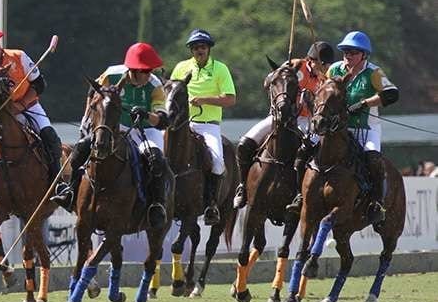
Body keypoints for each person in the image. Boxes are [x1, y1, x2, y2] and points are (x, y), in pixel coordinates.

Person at [51, 43, 169, 223]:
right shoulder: (112, 74)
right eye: (145, 71)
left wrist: (146, 114)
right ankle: (70, 192)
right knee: (82, 148)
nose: (149, 74)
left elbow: (162, 120)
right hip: (115, 127)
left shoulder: (154, 85)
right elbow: (94, 92)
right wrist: (87, 118)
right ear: (133, 70)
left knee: (156, 159)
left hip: (145, 130)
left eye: (150, 70)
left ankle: (156, 204)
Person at [233, 41, 336, 212]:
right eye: (323, 64)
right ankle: (243, 186)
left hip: (305, 121)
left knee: (309, 150)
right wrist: (281, 73)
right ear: (312, 60)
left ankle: (302, 193)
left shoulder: (326, 80)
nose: (325, 68)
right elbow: (268, 82)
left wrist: (312, 100)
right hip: (278, 117)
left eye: (327, 65)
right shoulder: (296, 65)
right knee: (245, 144)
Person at [0, 26, 62, 185]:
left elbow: (39, 84)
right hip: (0, 116)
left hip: (30, 108)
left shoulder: (18, 56)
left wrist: (21, 105)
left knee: (50, 138)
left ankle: (58, 184)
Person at [325, 31, 398, 228]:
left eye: (353, 52)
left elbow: (391, 94)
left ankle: (377, 204)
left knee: (373, 158)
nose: (348, 56)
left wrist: (365, 103)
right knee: (308, 150)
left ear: (364, 55)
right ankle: (300, 195)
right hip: (338, 129)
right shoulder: (334, 70)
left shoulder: (373, 73)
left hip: (367, 129)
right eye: (346, 52)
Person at [170, 29, 237, 225]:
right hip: (183, 125)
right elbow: (170, 92)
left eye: (203, 47)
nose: (200, 50)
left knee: (217, 163)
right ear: (191, 50)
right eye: (196, 47)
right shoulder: (181, 68)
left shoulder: (220, 69)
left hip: (208, 126)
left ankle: (211, 205)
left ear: (208, 49)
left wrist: (204, 100)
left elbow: (230, 99)